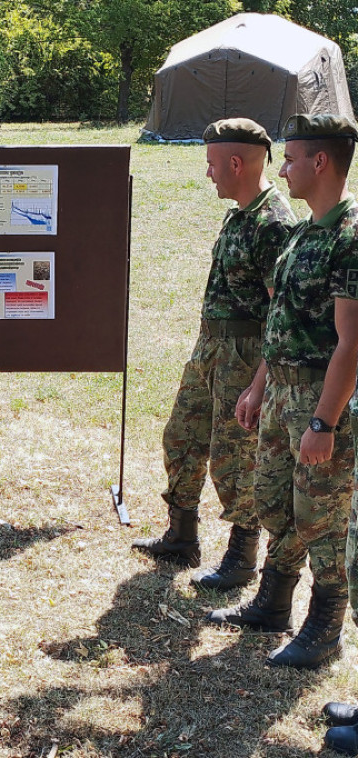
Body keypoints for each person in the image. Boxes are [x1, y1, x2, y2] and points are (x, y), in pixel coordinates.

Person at [207, 113, 358, 673]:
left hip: (319, 400)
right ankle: (273, 602)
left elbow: (351, 344)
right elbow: (280, 319)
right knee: (275, 502)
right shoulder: (301, 234)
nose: (284, 169)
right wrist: (259, 386)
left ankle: (323, 627)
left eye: (291, 158)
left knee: (321, 518)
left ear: (321, 162)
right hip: (279, 395)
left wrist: (325, 422)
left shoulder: (349, 238)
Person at [132, 118, 295, 591]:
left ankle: (241, 559)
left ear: (236, 163)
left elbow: (279, 316)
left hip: (245, 356)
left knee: (235, 457)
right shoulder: (239, 215)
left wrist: (259, 382)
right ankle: (181, 536)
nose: (208, 174)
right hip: (212, 348)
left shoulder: (273, 226)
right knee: (181, 434)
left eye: (211, 164)